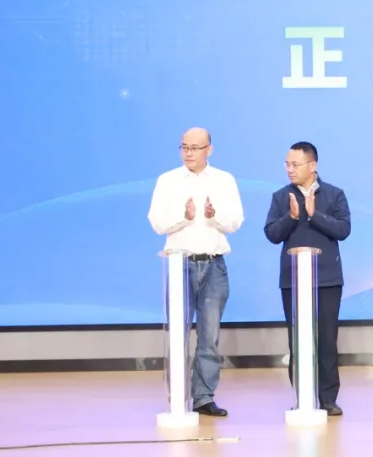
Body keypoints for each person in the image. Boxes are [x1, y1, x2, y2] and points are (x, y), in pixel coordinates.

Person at [148, 127, 244, 417]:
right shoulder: (168, 180)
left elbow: (235, 222)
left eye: (194, 148)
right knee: (177, 334)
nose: (188, 153)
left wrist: (214, 216)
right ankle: (178, 396)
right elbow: (157, 222)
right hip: (180, 265)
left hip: (214, 265)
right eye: (184, 147)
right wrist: (184, 217)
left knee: (209, 336)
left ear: (209, 150)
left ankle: (203, 397)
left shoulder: (224, 180)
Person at [264, 141, 351, 416]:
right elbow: (272, 233)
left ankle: (328, 398)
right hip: (293, 280)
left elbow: (344, 229)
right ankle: (302, 396)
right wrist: (291, 217)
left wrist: (315, 214)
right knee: (298, 340)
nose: (290, 169)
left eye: (295, 164)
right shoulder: (281, 196)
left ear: (312, 165)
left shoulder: (334, 194)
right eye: (287, 164)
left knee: (327, 340)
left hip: (327, 279)